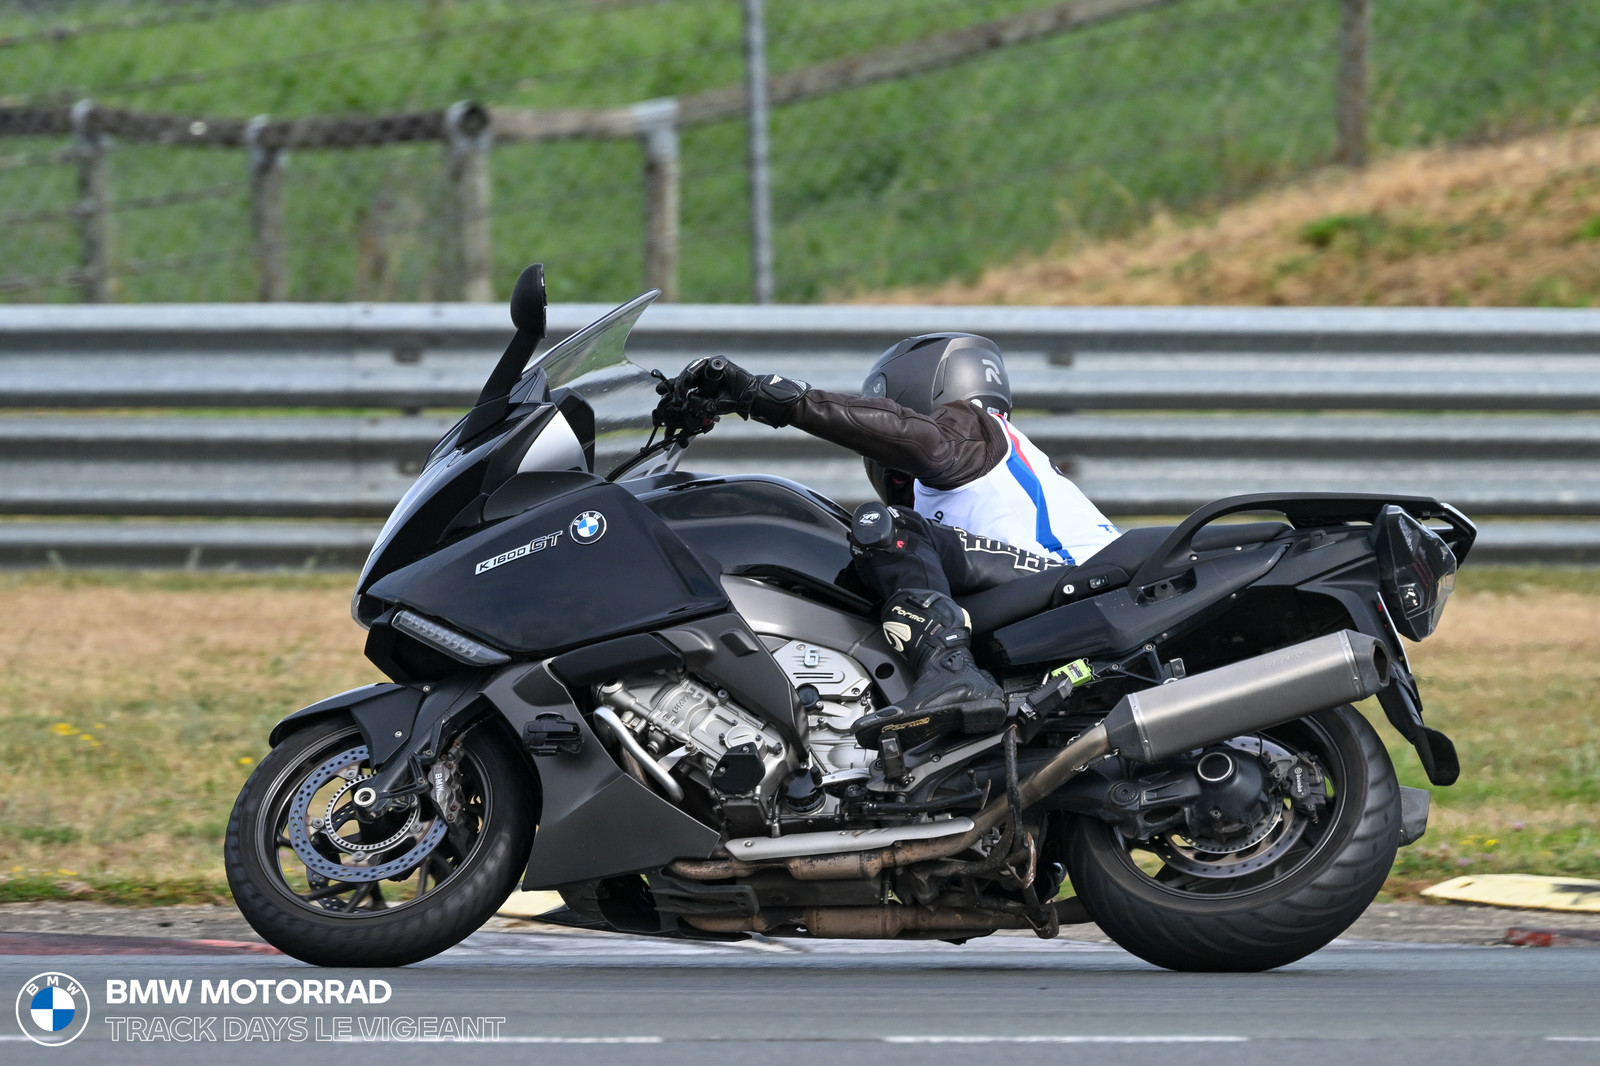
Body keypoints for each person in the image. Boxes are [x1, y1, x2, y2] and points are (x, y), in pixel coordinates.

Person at [669, 333, 1120, 751]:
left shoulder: (974, 429)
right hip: (1061, 589)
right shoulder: (980, 475)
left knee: (886, 528)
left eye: (883, 402)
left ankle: (952, 674)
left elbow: (911, 434)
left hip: (1076, 581)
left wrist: (772, 397)